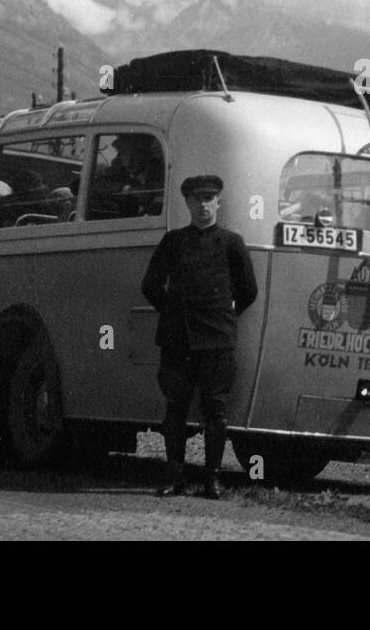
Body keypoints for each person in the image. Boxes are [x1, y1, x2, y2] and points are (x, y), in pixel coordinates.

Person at [141, 174, 258, 498]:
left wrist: (224, 316)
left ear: (218, 202)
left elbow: (248, 290)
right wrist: (172, 310)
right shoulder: (173, 241)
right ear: (188, 203)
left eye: (209, 199)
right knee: (175, 409)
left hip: (216, 341)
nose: (204, 205)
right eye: (197, 199)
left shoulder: (232, 243)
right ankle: (174, 476)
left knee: (216, 413)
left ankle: (212, 480)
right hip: (178, 339)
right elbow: (150, 285)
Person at [92, 134, 164, 217]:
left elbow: (157, 195)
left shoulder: (159, 170)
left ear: (144, 153)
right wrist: (124, 188)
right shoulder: (117, 169)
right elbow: (98, 185)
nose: (128, 160)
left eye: (134, 153)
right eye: (124, 153)